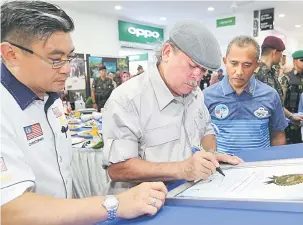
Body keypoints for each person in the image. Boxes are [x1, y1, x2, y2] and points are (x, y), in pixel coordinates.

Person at [0, 1, 167, 224]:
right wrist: (114, 204)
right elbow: (10, 208)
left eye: (70, 57)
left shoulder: (51, 96)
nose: (68, 69)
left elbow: (61, 177)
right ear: (10, 54)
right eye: (56, 59)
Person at [102, 19, 243, 195]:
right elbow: (118, 169)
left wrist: (209, 156)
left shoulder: (195, 93)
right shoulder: (127, 100)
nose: (197, 77)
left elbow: (206, 129)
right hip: (144, 208)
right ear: (167, 53)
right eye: (192, 66)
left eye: (204, 71)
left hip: (190, 196)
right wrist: (182, 169)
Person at [204, 36, 288, 155]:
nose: (239, 72)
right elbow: (200, 136)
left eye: (247, 65)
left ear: (256, 65)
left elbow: (278, 134)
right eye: (233, 63)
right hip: (222, 169)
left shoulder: (270, 95)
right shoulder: (207, 96)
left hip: (260, 166)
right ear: (225, 61)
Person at [254, 36, 303, 127]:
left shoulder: (272, 73)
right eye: (281, 53)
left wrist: (291, 116)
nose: (281, 57)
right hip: (261, 127)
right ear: (274, 52)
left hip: (275, 126)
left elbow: (276, 103)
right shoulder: (256, 72)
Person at [281, 50, 303, 143]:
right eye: (301, 60)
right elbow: (281, 100)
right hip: (290, 119)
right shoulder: (287, 77)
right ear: (294, 61)